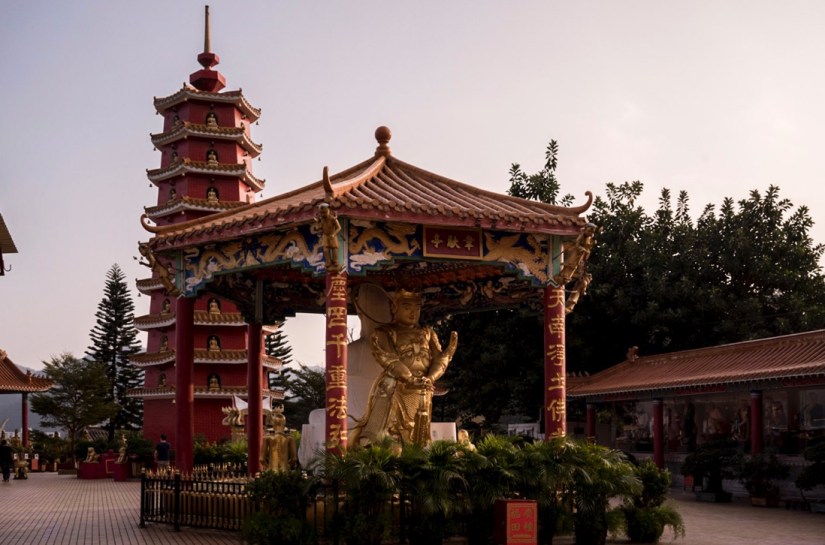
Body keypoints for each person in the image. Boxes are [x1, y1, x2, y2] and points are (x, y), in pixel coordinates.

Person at [349, 289, 458, 446]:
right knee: (387, 432)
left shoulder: (427, 333)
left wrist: (435, 372)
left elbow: (438, 359)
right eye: (407, 308)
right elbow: (389, 358)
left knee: (419, 434)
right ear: (394, 308)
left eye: (417, 308)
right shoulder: (385, 332)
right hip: (396, 386)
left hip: (423, 388)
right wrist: (409, 378)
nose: (413, 313)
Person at [260, 405, 297, 473]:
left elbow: (261, 459)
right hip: (284, 471)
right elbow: (294, 459)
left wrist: (269, 467)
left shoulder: (267, 438)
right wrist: (287, 466)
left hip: (272, 471)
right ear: (284, 423)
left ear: (273, 423)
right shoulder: (289, 438)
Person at [314, 203, 341, 270]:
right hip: (325, 236)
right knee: (326, 249)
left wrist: (334, 234)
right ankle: (328, 261)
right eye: (321, 213)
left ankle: (335, 261)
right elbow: (318, 228)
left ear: (328, 210)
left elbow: (339, 227)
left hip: (332, 235)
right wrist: (317, 223)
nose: (323, 215)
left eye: (324, 212)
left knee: (334, 248)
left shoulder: (333, 219)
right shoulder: (321, 219)